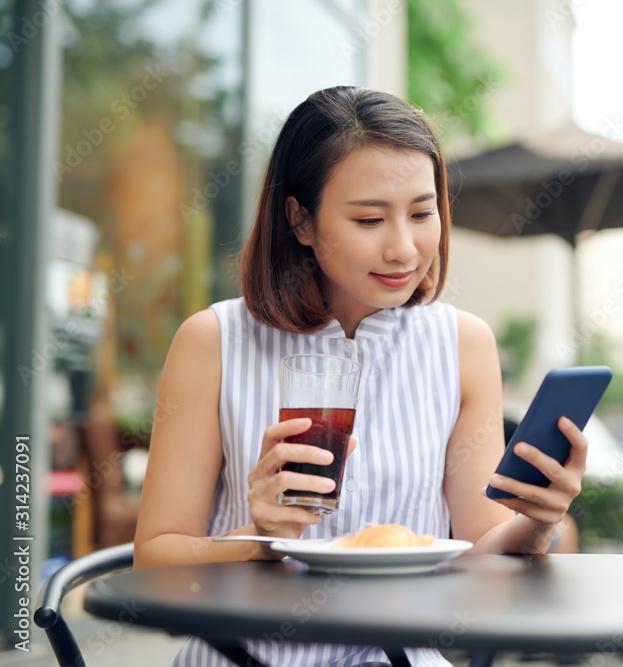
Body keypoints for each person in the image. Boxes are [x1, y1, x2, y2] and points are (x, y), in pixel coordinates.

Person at [133, 86, 589, 667]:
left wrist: (536, 520)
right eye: (370, 219)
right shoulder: (214, 341)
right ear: (299, 219)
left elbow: (481, 550)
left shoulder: (462, 345)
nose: (403, 248)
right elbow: (154, 564)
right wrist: (259, 537)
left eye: (423, 214)